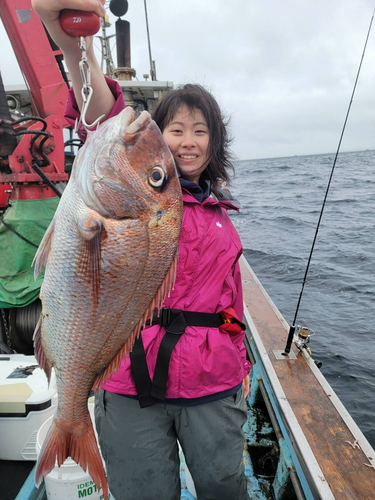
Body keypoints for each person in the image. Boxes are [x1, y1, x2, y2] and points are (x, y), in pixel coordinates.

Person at [32, 1, 251, 499]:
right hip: (130, 379)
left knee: (223, 484)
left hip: (212, 383)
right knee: (142, 491)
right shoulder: (131, 187)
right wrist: (70, 35)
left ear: (215, 144)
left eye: (201, 131)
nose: (187, 141)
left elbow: (231, 298)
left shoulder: (220, 214)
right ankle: (72, 421)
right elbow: (97, 104)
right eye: (175, 129)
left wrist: (240, 361)